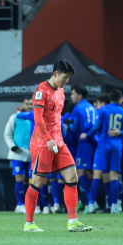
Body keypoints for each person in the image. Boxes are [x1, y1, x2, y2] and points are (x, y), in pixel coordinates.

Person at [24, 59, 92, 232]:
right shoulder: (41, 90)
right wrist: (48, 139)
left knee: (72, 178)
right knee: (38, 181)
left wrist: (58, 139)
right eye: (65, 77)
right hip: (42, 143)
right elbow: (38, 118)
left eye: (69, 77)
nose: (67, 81)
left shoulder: (61, 91)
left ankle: (73, 221)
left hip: (59, 143)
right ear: (55, 74)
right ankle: (29, 224)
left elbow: (56, 119)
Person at [69, 84, 97, 213]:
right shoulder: (92, 107)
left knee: (80, 172)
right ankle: (92, 202)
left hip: (85, 142)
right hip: (94, 142)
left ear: (80, 95)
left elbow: (75, 128)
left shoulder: (78, 108)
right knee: (89, 173)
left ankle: (92, 202)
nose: (71, 96)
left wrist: (67, 125)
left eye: (73, 93)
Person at [4, 97, 33, 213]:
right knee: (19, 178)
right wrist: (12, 146)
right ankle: (20, 204)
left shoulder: (35, 118)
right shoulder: (15, 117)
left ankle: (27, 204)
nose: (29, 106)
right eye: (27, 103)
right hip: (17, 153)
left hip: (31, 153)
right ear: (23, 104)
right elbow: (7, 134)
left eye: (32, 104)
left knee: (28, 180)